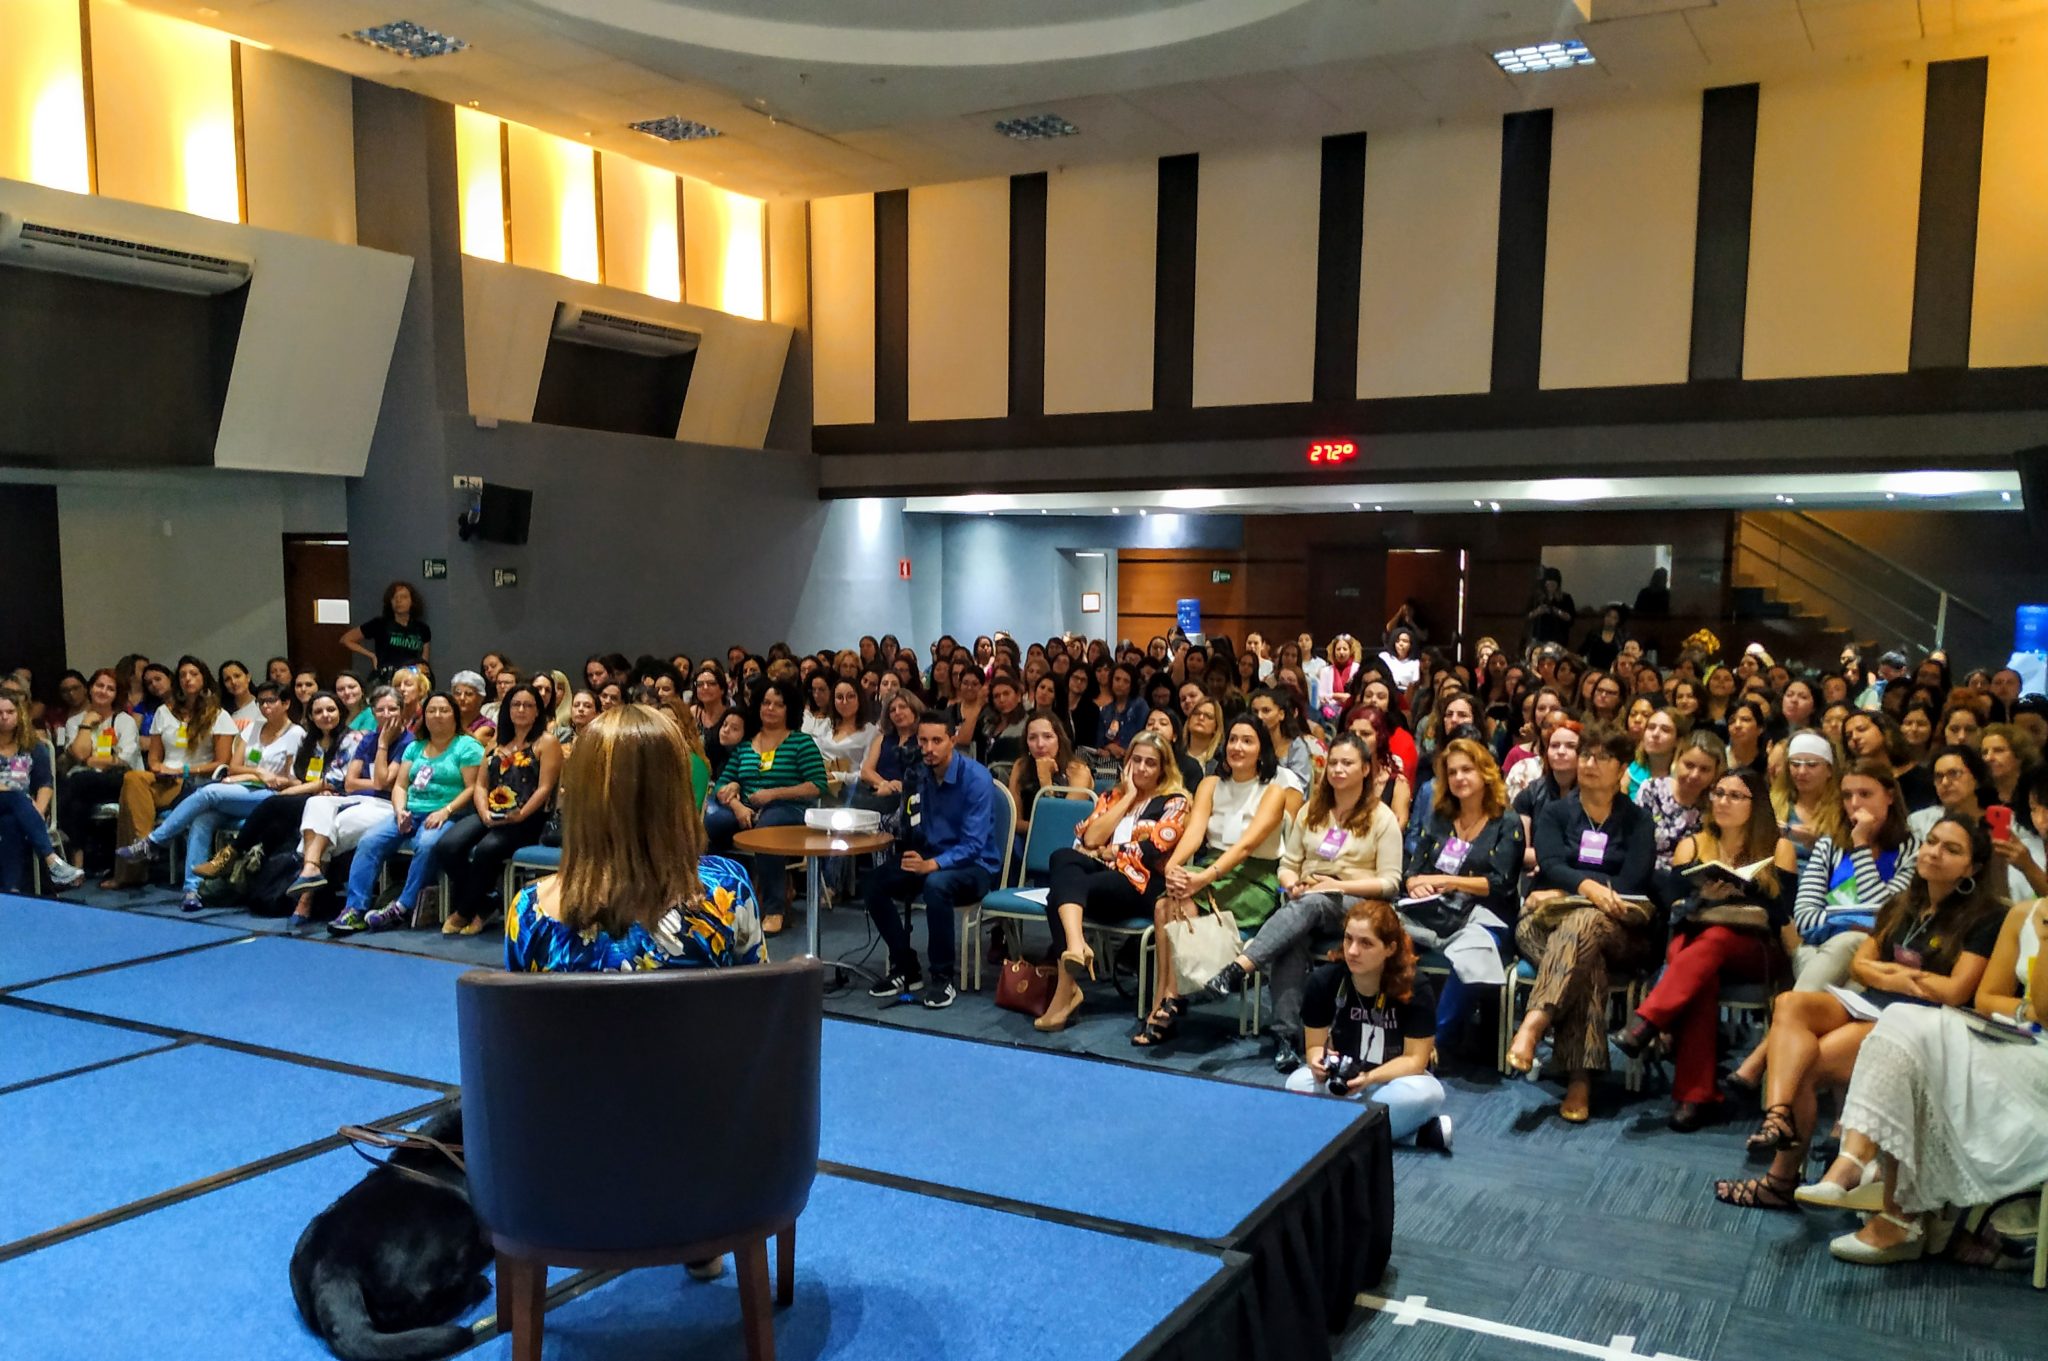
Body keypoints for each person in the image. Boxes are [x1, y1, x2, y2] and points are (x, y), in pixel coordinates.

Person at [1714, 815, 2003, 1210]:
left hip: (1918, 1021)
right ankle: (1778, 1113)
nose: (1934, 853)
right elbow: (1860, 965)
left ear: (1972, 868)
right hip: (1872, 1002)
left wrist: (1891, 975)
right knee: (1789, 1004)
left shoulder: (1986, 917)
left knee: (1805, 1062)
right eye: (1931, 842)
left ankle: (1779, 1181)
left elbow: (1954, 990)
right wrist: (1901, 976)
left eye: (1951, 849)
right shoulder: (1904, 903)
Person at [1797, 888, 2046, 1264]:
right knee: (1902, 1020)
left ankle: (1897, 1210)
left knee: (1932, 1050)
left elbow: (2043, 1008)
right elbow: (1988, 999)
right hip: (2018, 1036)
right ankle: (1860, 1165)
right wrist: (2025, 1010)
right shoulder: (2027, 914)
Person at [1200, 734, 1405, 1071]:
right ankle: (1286, 1037)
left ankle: (1240, 969)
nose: (1338, 769)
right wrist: (1292, 883)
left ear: (1366, 769)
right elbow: (1287, 865)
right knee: (1292, 937)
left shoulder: (1381, 817)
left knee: (1311, 905)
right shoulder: (1313, 811)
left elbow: (1390, 882)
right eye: (1333, 763)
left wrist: (1337, 886)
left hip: (1360, 904)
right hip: (1308, 899)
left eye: (1347, 763)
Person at [504, 704, 760, 973]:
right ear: (679, 794)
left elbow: (520, 1013)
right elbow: (758, 1006)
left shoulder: (530, 912)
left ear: (578, 796)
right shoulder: (729, 892)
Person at [1615, 766, 1798, 1129]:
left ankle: (1647, 1022)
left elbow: (1781, 913)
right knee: (1701, 971)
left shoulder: (1778, 847)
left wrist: (1746, 890)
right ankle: (1694, 1098)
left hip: (1755, 947)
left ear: (1755, 803)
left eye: (1735, 795)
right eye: (1718, 793)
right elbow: (1675, 907)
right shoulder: (1694, 845)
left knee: (1707, 944)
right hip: (1702, 948)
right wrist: (1705, 897)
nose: (1723, 801)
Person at [1508, 724, 1659, 1124]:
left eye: (1602, 757)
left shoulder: (1639, 821)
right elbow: (1552, 862)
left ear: (1622, 767)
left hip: (1619, 927)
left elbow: (1631, 883)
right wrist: (1588, 888)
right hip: (1544, 922)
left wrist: (1573, 892)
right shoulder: (1557, 812)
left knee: (1586, 923)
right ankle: (1580, 1081)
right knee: (1585, 959)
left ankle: (1534, 1023)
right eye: (1586, 755)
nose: (1590, 763)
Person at [1138, 717, 1293, 1047]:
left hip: (1256, 877)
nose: (1238, 747)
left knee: (1177, 899)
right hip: (1210, 870)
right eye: (1233, 739)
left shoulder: (1275, 791)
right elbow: (1194, 834)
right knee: (1167, 900)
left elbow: (1247, 846)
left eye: (1247, 741)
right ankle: (1168, 999)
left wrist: (1202, 878)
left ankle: (1168, 1000)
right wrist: (1176, 868)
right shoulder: (1210, 784)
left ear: (1261, 750)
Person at [1036, 732, 1190, 1034]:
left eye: (1150, 763)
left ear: (1163, 768)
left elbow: (1152, 850)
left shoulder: (1175, 801)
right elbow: (1090, 838)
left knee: (1060, 894)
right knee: (1062, 857)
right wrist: (1130, 796)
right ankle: (1077, 946)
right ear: (1127, 763)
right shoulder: (1113, 796)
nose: (1142, 769)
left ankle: (1066, 992)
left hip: (1141, 885)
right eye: (1137, 761)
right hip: (1103, 879)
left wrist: (1112, 850)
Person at [116, 682, 304, 911]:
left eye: (271, 701)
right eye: (261, 702)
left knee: (209, 791)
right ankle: (192, 890)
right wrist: (256, 772)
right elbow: (233, 767)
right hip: (242, 789)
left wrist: (259, 777)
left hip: (272, 798)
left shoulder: (296, 734)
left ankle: (154, 841)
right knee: (202, 819)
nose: (265, 707)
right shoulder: (253, 729)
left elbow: (290, 780)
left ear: (285, 703)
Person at [863, 712, 1003, 1011]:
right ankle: (906, 965)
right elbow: (916, 823)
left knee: (936, 884)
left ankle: (942, 976)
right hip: (933, 854)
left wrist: (933, 864)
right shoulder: (920, 775)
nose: (928, 748)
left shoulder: (976, 778)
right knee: (874, 881)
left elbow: (975, 844)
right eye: (923, 740)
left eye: (937, 740)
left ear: (953, 740)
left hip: (976, 865)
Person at [1288, 899, 1453, 1150]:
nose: (1353, 951)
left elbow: (1415, 1061)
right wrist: (1317, 1062)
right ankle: (1409, 1135)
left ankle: (1332, 1133)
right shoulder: (1324, 981)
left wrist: (1368, 1078)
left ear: (1389, 948)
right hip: (1342, 1082)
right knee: (1296, 1084)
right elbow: (1313, 1047)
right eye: (1348, 939)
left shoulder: (1415, 987)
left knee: (1428, 1093)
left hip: (1392, 1082)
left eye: (1366, 943)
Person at [329, 692, 484, 934]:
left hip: (448, 814)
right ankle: (354, 910)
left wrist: (446, 811)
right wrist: (400, 811)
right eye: (432, 711)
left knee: (427, 843)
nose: (437, 715)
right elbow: (400, 785)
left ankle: (402, 906)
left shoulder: (467, 746)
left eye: (444, 710)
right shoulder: (415, 747)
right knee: (369, 841)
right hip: (410, 811)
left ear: (454, 715)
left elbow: (473, 787)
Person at [1401, 737, 1524, 1036]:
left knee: (1474, 953)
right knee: (1378, 935)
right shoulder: (1440, 819)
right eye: (1452, 772)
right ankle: (1388, 1028)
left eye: (1467, 769)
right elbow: (1413, 872)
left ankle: (1432, 1041)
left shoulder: (1507, 822)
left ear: (1485, 773)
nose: (1459, 778)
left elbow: (1500, 885)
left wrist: (1445, 880)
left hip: (1486, 915)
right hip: (1433, 911)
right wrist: (1416, 884)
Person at [198, 692, 352, 929]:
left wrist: (291, 792)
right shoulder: (309, 742)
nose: (326, 715)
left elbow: (335, 780)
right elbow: (296, 777)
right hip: (307, 797)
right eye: (319, 711)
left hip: (336, 800)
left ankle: (232, 854)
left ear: (340, 712)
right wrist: (295, 788)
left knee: (273, 804)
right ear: (310, 716)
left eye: (331, 710)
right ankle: (258, 883)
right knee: (276, 824)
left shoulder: (351, 739)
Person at [704, 678, 827, 937]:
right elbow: (722, 785)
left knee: (767, 827)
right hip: (746, 808)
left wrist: (773, 794)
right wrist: (737, 804)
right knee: (713, 823)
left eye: (778, 705)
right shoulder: (746, 745)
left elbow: (817, 786)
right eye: (766, 703)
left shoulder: (801, 742)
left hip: (789, 808)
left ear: (789, 710)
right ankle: (721, 899)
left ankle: (775, 909)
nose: (770, 708)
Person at [438, 685, 562, 937]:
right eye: (516, 704)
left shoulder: (546, 742)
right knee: (447, 846)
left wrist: (520, 815)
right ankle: (485, 904)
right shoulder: (496, 741)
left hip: (527, 817)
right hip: (490, 812)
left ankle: (465, 910)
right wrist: (483, 811)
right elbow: (481, 784)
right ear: (507, 709)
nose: (521, 710)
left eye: (528, 705)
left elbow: (545, 788)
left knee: (487, 850)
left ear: (538, 711)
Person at [108, 656, 238, 889]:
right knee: (132, 779)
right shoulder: (163, 712)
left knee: (130, 796)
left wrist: (184, 769)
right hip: (166, 779)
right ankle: (145, 843)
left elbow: (222, 761)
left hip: (197, 782)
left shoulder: (219, 715)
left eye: (194, 674)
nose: (188, 679)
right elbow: (154, 758)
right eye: (183, 675)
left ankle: (134, 865)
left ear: (204, 679)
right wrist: (159, 768)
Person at [55, 669, 142, 871]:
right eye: (99, 686)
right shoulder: (75, 722)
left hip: (119, 781)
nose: (103, 691)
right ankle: (79, 866)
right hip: (86, 785)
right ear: (90, 688)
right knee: (77, 802)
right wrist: (86, 725)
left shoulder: (124, 721)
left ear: (116, 694)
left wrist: (90, 760)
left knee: (76, 781)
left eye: (110, 689)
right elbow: (78, 754)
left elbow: (123, 761)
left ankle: (54, 825)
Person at [0, 692, 83, 890]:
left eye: (9, 712)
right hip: (18, 801)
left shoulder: (33, 746)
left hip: (18, 811)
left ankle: (11, 891)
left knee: (11, 822)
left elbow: (45, 783)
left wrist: (37, 810)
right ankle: (52, 861)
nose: (4, 717)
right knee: (15, 795)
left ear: (19, 714)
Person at [1635, 730, 1727, 871]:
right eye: (1689, 765)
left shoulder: (1715, 805)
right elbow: (1637, 844)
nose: (1695, 775)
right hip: (1646, 875)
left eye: (1704, 769)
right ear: (1677, 760)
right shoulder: (1651, 790)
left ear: (1715, 772)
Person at [1007, 712, 1093, 845]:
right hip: (1026, 838)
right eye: (1032, 738)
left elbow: (1061, 823)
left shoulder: (1078, 771)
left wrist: (1045, 779)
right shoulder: (1020, 766)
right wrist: (1037, 828)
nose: (1040, 744)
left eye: (1048, 736)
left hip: (1064, 842)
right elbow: (1014, 821)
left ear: (1059, 739)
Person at [341, 581, 431, 676]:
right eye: (394, 597)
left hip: (411, 677)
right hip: (385, 677)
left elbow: (424, 661)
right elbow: (346, 639)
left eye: (403, 597)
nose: (398, 601)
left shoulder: (422, 628)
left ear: (412, 601)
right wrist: (372, 656)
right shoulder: (380, 624)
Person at [1096, 662, 1148, 760]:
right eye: (1117, 679)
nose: (1120, 684)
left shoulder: (1140, 705)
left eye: (1126, 681)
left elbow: (1144, 736)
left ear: (1132, 685)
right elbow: (1100, 741)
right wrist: (1109, 747)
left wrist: (1124, 750)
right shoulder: (1106, 710)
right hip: (1110, 764)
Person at [1527, 567, 1576, 648]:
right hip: (1539, 638)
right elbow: (1527, 616)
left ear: (1558, 584)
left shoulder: (1566, 598)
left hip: (1558, 639)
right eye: (1549, 584)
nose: (1551, 587)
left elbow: (1570, 618)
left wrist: (1557, 611)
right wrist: (1538, 611)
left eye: (1553, 584)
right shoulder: (1538, 598)